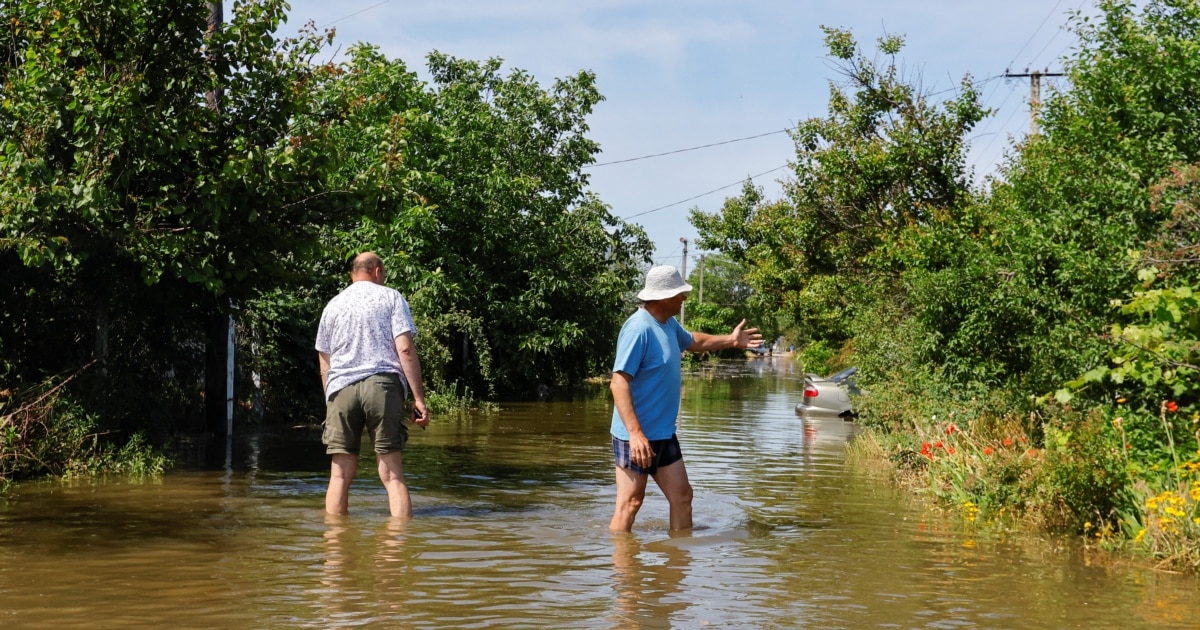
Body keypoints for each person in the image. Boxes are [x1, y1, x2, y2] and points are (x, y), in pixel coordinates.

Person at [609, 265, 762, 532]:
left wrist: (731, 340)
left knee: (682, 497)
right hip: (635, 435)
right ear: (664, 297)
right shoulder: (639, 329)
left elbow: (695, 342)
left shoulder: (668, 324)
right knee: (630, 503)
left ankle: (679, 555)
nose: (684, 298)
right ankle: (621, 559)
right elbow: (618, 382)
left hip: (663, 433)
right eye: (680, 293)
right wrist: (635, 434)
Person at [316, 252, 429, 518]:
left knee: (339, 475)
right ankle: (398, 540)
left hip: (340, 388)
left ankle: (336, 541)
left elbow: (324, 363)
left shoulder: (333, 305)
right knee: (392, 475)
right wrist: (418, 398)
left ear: (352, 273)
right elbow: (405, 349)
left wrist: (331, 401)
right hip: (382, 386)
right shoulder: (391, 297)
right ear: (377, 271)